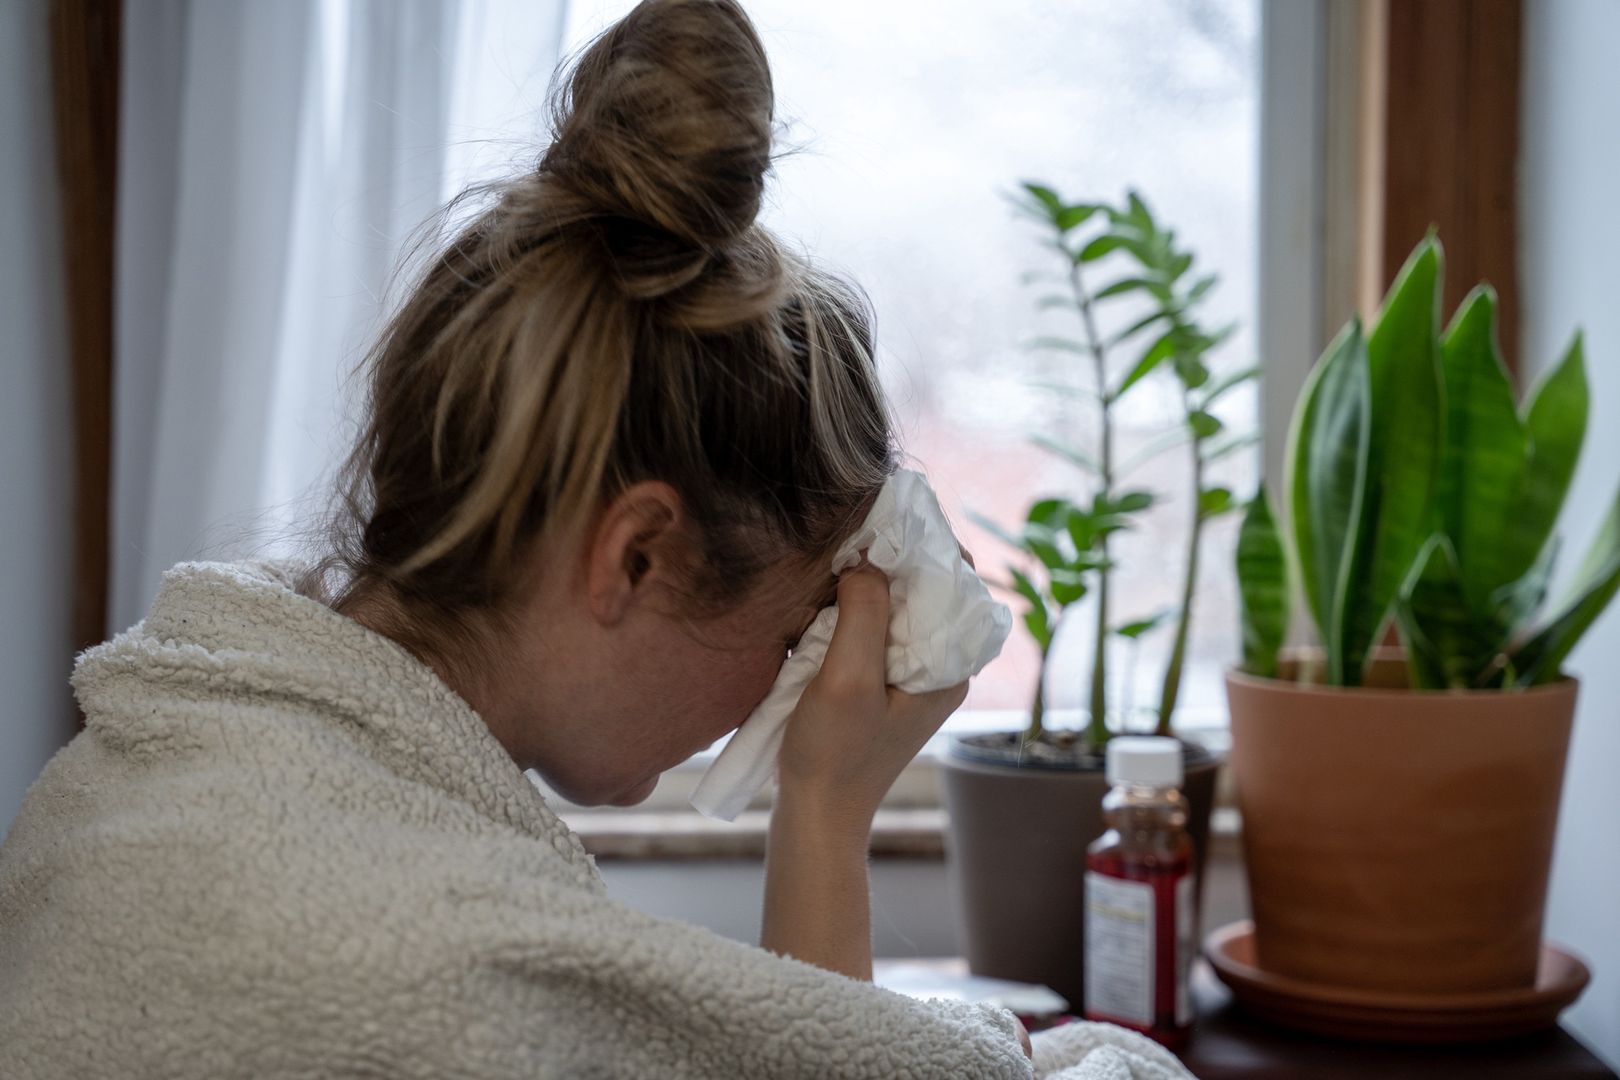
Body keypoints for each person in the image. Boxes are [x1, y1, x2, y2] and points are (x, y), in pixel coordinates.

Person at [0, 3, 1193, 1077]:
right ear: (636, 558)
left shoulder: (146, 784)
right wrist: (826, 813)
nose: (769, 698)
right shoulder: (435, 973)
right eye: (790, 638)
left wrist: (822, 805)